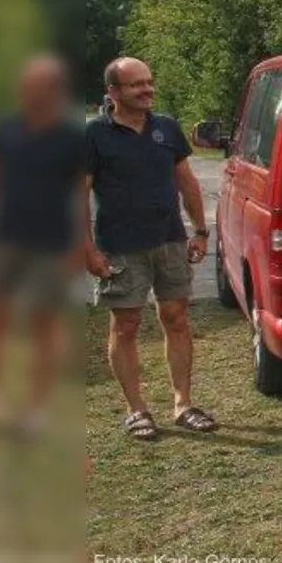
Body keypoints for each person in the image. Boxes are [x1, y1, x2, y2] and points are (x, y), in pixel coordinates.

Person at [83, 56, 218, 441]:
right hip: (120, 248)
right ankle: (137, 410)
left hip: (170, 241)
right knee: (125, 326)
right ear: (113, 93)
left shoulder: (167, 129)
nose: (147, 90)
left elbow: (187, 183)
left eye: (149, 82)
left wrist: (200, 230)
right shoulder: (94, 136)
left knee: (176, 318)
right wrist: (86, 249)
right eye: (135, 84)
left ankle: (183, 404)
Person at [0, 54, 86, 436]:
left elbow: (80, 194)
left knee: (44, 325)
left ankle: (37, 409)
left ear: (54, 89)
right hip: (5, 238)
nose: (28, 92)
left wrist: (79, 245)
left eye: (37, 85)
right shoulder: (5, 129)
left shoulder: (71, 138)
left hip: (52, 243)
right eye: (26, 85)